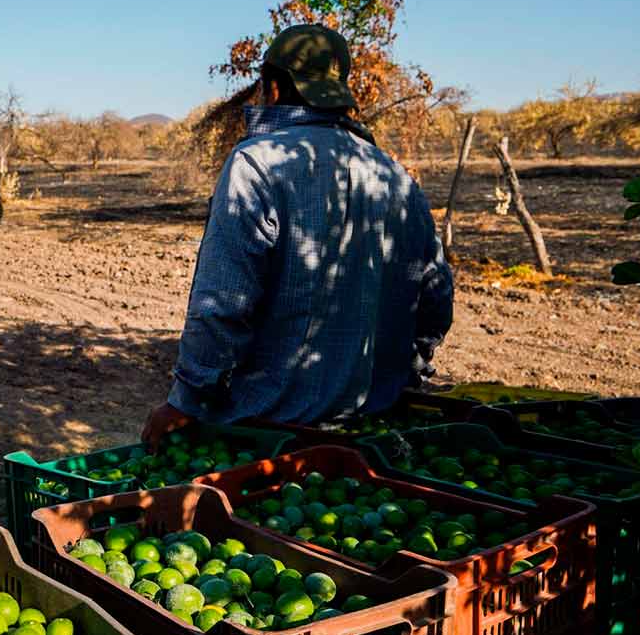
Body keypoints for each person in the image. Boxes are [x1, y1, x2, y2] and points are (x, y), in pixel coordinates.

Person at [142, 24, 453, 447]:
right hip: (375, 430)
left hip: (270, 437)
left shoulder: (256, 164)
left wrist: (185, 400)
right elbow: (435, 300)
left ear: (271, 88)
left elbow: (222, 305)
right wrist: (402, 373)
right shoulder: (395, 175)